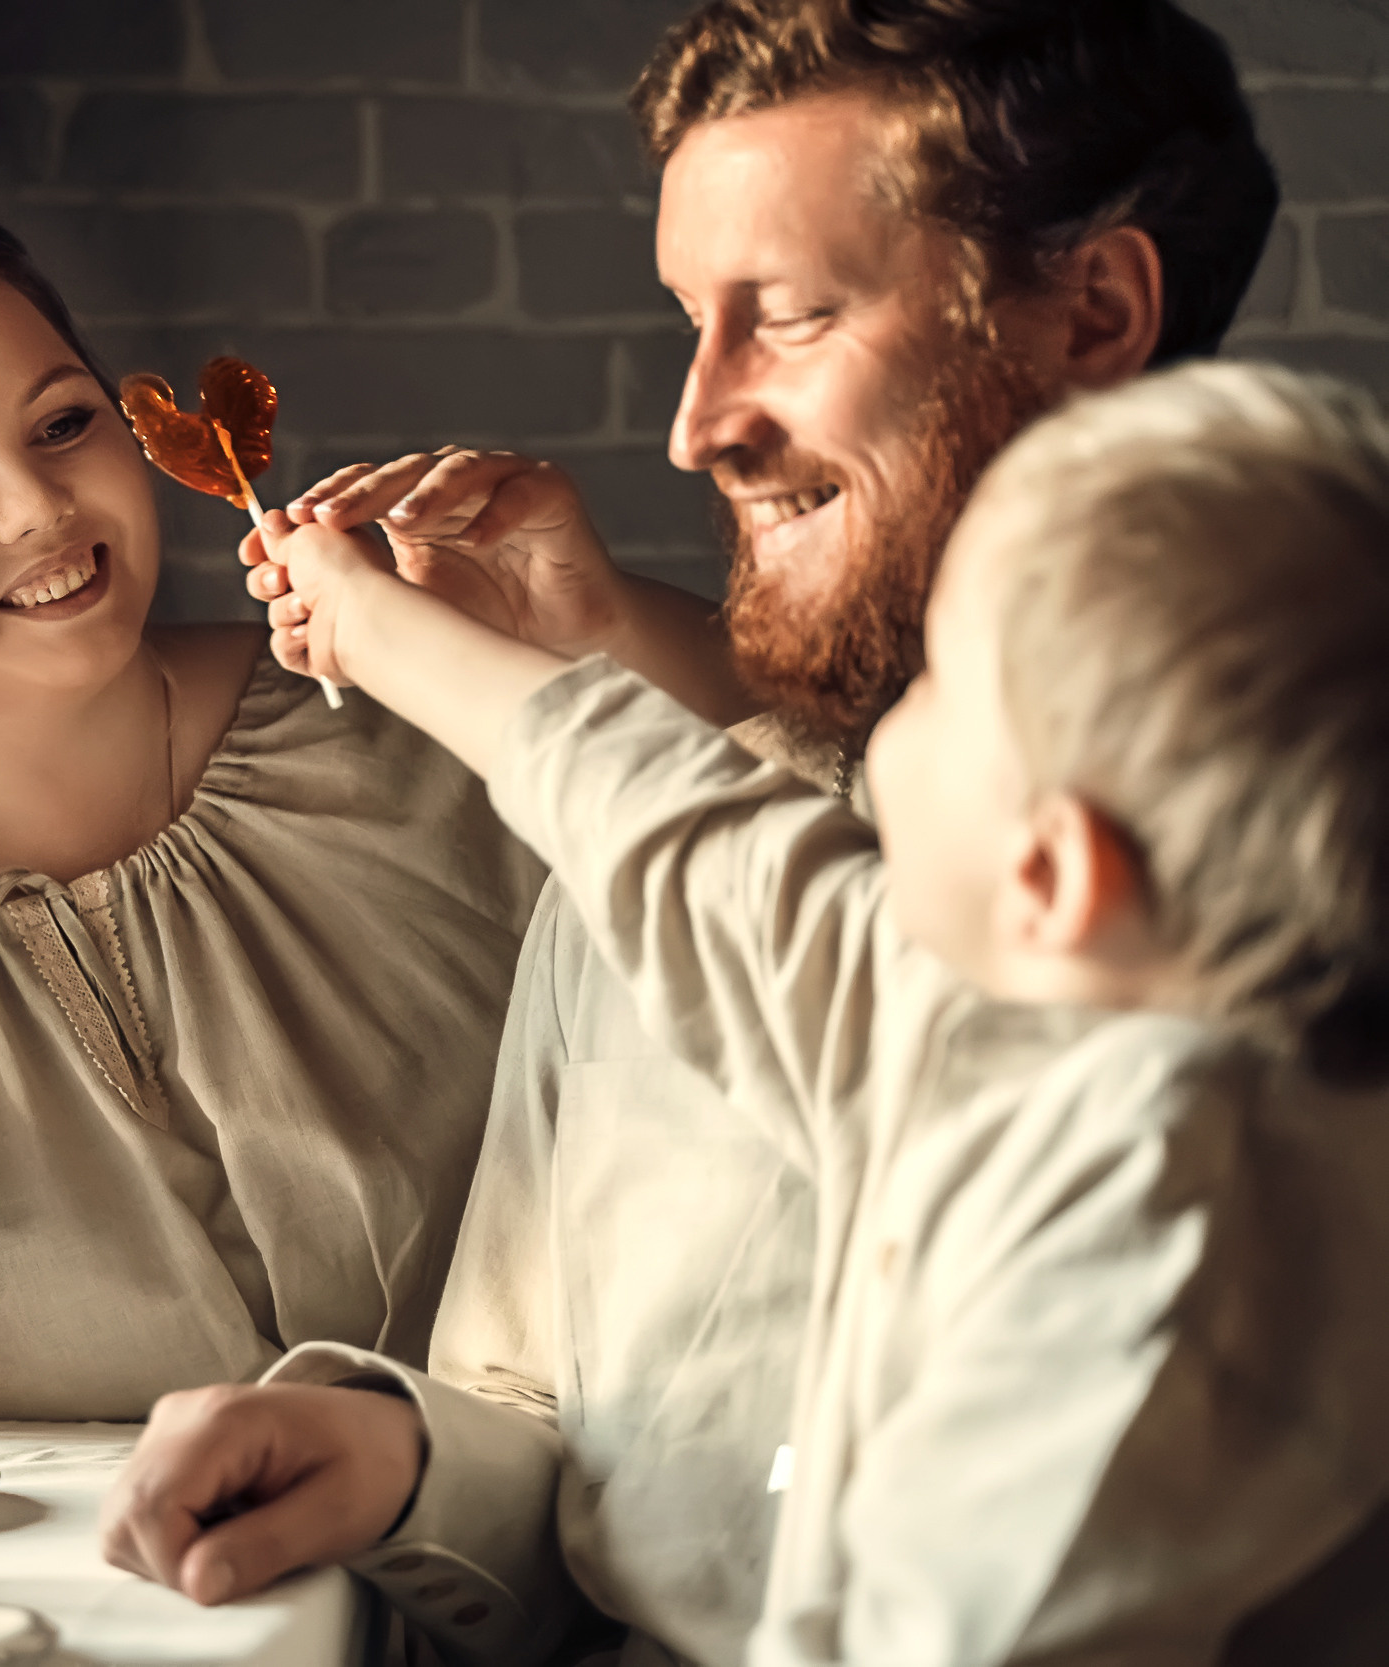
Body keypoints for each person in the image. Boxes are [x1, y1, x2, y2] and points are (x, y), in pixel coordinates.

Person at [109, 2, 1287, 1662]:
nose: (694, 423)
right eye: (691, 321)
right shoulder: (667, 834)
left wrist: (452, 665)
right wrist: (400, 1462)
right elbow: (543, 1412)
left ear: (1094, 308)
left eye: (790, 317)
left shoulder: (1265, 899)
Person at [0, 179, 738, 1419]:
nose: (39, 505)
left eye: (60, 425)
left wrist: (586, 625)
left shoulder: (398, 714)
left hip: (505, 1571)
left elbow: (806, 825)